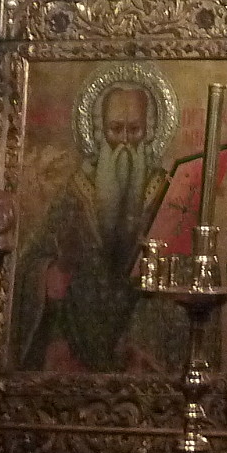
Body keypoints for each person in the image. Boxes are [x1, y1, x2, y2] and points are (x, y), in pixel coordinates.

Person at [15, 83, 174, 372]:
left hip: (142, 346)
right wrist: (57, 270)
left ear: (150, 131)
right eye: (115, 129)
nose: (124, 142)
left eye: (134, 130)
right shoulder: (76, 192)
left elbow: (185, 269)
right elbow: (31, 262)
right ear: (99, 132)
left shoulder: (167, 193)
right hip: (77, 341)